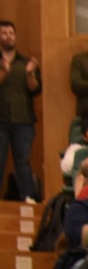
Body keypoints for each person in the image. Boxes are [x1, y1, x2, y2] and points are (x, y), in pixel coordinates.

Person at [0, 18, 40, 203]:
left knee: (22, 161)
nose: (8, 36)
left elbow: (35, 90)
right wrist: (4, 73)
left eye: (11, 33)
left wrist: (30, 73)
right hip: (1, 119)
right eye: (4, 33)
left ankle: (28, 197)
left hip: (23, 120)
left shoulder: (26, 62)